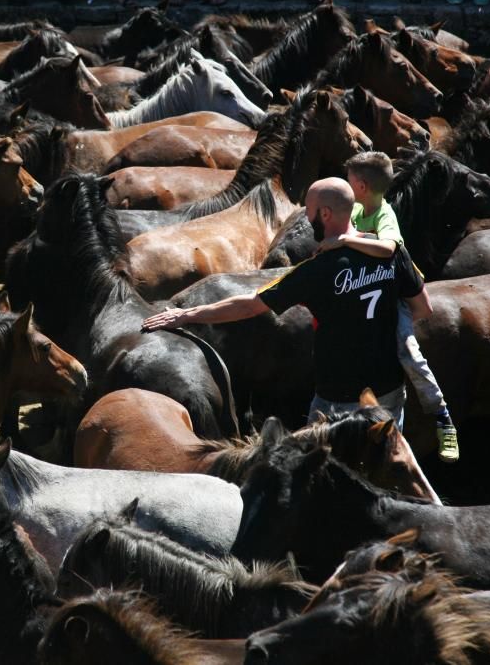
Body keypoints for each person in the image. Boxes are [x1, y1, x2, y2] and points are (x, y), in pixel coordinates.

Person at [141, 177, 431, 432]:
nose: (305, 216)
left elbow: (249, 305)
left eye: (309, 210)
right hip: (390, 391)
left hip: (337, 400)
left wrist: (187, 314)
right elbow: (422, 309)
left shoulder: (315, 271)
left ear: (326, 214)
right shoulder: (393, 253)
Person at [316, 152, 459, 462]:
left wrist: (345, 242)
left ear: (363, 187)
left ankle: (441, 416)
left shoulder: (384, 214)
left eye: (350, 182)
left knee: (408, 352)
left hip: (395, 293)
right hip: (365, 288)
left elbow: (389, 248)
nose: (346, 186)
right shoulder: (353, 209)